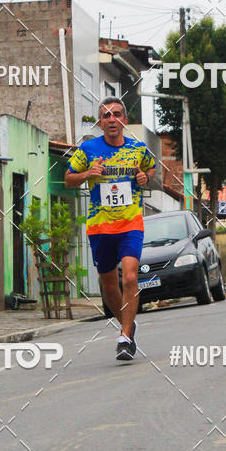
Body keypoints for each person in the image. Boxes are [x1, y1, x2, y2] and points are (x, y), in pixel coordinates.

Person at [65, 97, 156, 360]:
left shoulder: (138, 149)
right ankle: (128, 325)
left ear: (124, 121)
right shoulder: (88, 149)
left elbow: (151, 172)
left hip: (130, 224)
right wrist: (87, 174)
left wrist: (145, 177)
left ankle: (125, 337)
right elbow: (69, 179)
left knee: (129, 277)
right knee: (108, 285)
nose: (111, 120)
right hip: (99, 227)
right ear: (100, 122)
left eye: (116, 115)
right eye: (106, 116)